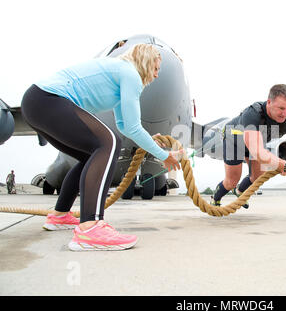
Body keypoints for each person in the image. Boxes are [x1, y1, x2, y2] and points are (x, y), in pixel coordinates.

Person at [21, 44, 183, 251]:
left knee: (91, 155)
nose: (157, 75)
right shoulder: (130, 75)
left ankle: (60, 215)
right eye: (156, 68)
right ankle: (90, 228)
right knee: (109, 143)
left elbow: (126, 125)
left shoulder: (118, 74)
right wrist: (164, 155)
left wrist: (150, 139)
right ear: (145, 61)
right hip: (48, 100)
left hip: (36, 102)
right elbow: (132, 128)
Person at [211, 84, 286, 207]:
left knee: (257, 177)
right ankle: (215, 199)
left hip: (256, 142)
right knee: (231, 181)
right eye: (281, 108)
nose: (285, 113)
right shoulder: (253, 114)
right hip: (234, 140)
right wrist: (285, 166)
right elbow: (258, 152)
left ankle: (239, 191)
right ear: (269, 102)